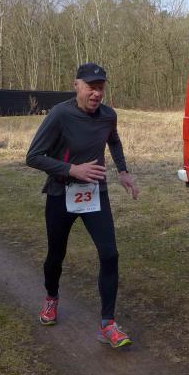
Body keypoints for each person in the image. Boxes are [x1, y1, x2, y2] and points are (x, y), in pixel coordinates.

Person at [26, 62, 140, 349]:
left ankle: (108, 324)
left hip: (95, 192)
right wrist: (72, 169)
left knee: (110, 254)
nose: (96, 93)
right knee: (56, 254)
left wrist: (123, 171)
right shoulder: (60, 114)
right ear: (76, 85)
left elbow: (114, 141)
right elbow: (34, 156)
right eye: (91, 87)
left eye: (101, 88)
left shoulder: (108, 116)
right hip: (60, 192)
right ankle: (51, 298)